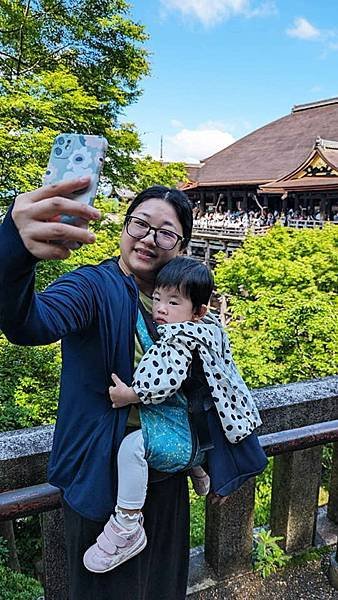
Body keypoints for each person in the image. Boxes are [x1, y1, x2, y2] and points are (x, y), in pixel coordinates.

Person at [0, 180, 198, 600]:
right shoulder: (93, 287)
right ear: (124, 228)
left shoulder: (183, 308)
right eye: (139, 224)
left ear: (180, 247)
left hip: (164, 481)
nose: (148, 238)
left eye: (165, 232)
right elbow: (29, 323)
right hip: (101, 484)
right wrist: (14, 251)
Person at [83, 256, 262, 574]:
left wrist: (129, 395)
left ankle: (127, 525)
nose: (160, 309)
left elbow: (162, 382)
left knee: (132, 448)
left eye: (173, 302)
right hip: (204, 428)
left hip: (182, 437)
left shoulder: (179, 340)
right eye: (157, 299)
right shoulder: (210, 330)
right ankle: (199, 470)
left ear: (198, 311)